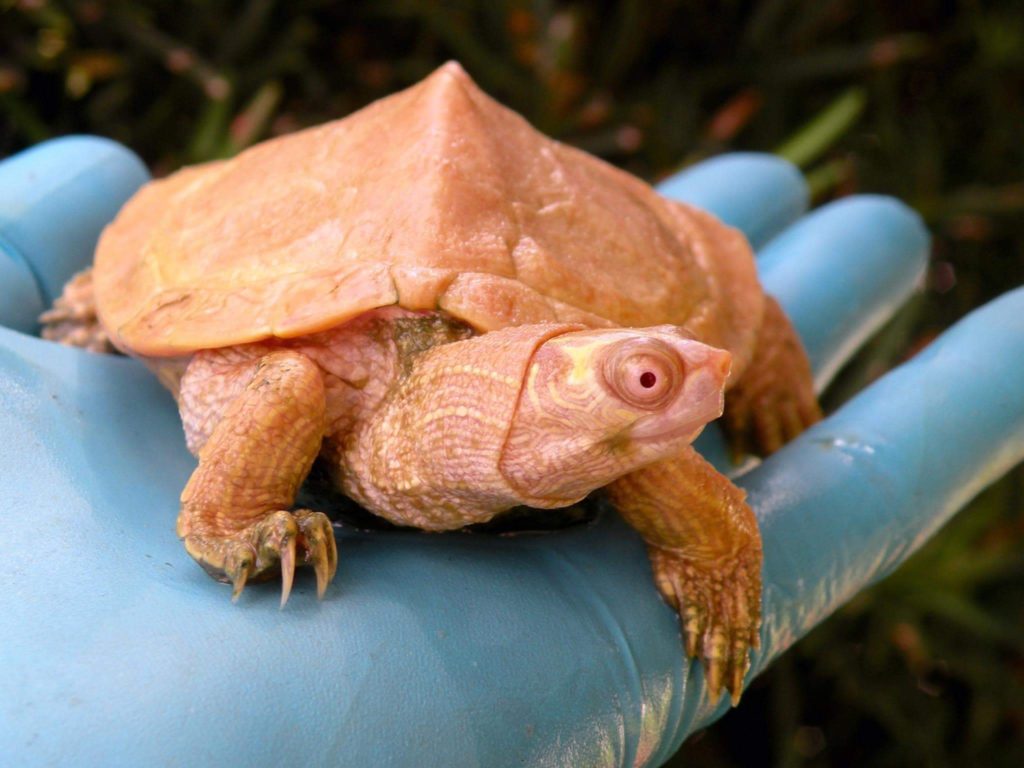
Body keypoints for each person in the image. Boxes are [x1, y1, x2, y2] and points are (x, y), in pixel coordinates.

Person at [1, 136, 1021, 767]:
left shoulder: (601, 431)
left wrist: (716, 543)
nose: (689, 388)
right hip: (311, 245)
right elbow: (287, 377)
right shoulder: (312, 373)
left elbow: (640, 444)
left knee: (687, 364)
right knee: (283, 371)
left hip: (554, 333)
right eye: (656, 378)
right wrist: (231, 512)